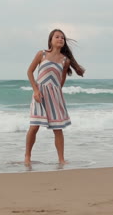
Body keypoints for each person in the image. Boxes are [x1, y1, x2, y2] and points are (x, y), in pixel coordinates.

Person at [25, 29, 85, 166]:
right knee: (34, 127)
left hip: (55, 96)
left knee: (58, 129)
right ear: (51, 40)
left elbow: (61, 80)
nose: (60, 39)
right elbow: (29, 72)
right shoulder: (42, 54)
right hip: (39, 94)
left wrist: (56, 92)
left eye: (62, 38)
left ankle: (61, 159)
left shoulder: (65, 61)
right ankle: (27, 157)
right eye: (57, 37)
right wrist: (35, 90)